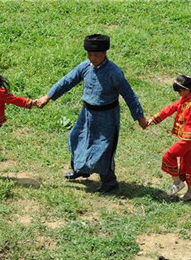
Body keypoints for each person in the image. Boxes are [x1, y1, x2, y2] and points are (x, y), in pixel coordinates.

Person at [36, 34, 147, 193]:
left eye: (96, 55)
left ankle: (109, 182)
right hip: (87, 113)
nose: (92, 58)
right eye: (90, 54)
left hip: (107, 116)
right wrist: (48, 96)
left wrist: (140, 117)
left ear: (104, 53)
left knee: (103, 149)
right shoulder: (85, 67)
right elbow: (67, 81)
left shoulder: (114, 72)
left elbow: (129, 95)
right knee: (77, 138)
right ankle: (80, 169)